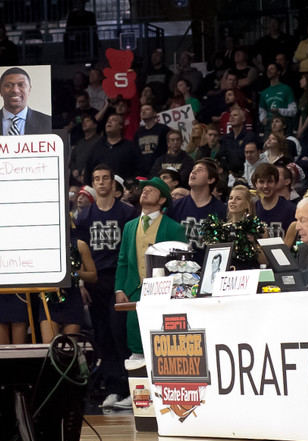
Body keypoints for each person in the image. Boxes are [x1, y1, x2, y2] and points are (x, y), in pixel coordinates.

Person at [115, 178, 187, 393]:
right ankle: (140, 395)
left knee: (162, 342)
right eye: (144, 190)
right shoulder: (129, 226)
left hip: (163, 295)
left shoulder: (173, 227)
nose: (145, 193)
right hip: (134, 292)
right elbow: (122, 261)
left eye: (151, 190)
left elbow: (182, 264)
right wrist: (120, 289)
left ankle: (165, 392)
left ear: (163, 199)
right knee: (136, 346)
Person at [76, 166, 138, 409]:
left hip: (119, 278)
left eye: (105, 179)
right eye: (96, 179)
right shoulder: (84, 215)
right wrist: (81, 283)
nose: (101, 183)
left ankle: (129, 387)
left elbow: (132, 250)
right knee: (102, 335)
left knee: (120, 333)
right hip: (94, 281)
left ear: (113, 184)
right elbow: (78, 253)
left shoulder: (127, 212)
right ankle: (113, 388)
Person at [167, 159, 227, 259]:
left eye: (200, 170)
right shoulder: (174, 206)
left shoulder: (222, 210)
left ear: (210, 180)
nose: (193, 172)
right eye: (193, 169)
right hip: (177, 268)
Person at [203, 183, 266, 270]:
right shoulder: (220, 230)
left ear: (247, 204)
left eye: (238, 199)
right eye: (231, 198)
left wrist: (253, 243)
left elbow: (265, 262)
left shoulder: (258, 229)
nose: (233, 201)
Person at [252, 162, 295, 240]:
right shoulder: (251, 210)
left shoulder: (291, 210)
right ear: (256, 184)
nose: (265, 186)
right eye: (261, 182)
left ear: (276, 182)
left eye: (270, 181)